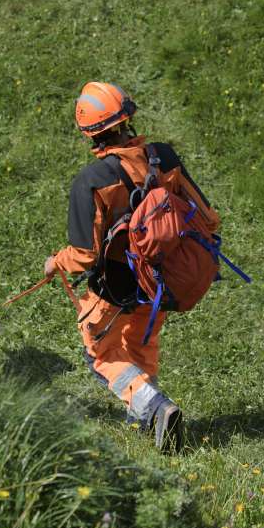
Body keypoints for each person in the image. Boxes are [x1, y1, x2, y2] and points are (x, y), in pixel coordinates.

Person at [44, 82, 217, 454]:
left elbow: (85, 255)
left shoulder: (92, 181)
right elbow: (208, 217)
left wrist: (54, 262)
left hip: (115, 287)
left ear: (90, 132)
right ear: (127, 119)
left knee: (100, 353)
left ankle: (153, 408)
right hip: (158, 282)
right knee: (140, 344)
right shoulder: (164, 158)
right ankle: (143, 419)